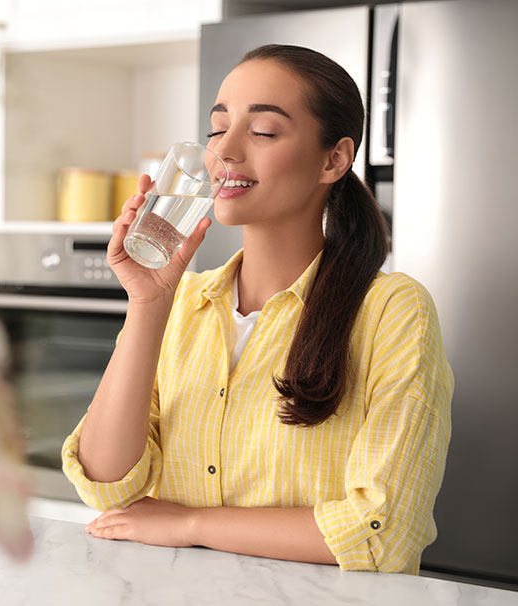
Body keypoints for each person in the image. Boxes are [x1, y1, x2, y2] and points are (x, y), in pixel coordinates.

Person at [61, 44, 453, 574]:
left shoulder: (392, 310)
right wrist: (148, 303)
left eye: (263, 131)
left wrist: (189, 524)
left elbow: (381, 530)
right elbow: (106, 482)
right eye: (217, 129)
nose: (225, 151)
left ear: (333, 159)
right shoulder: (183, 304)